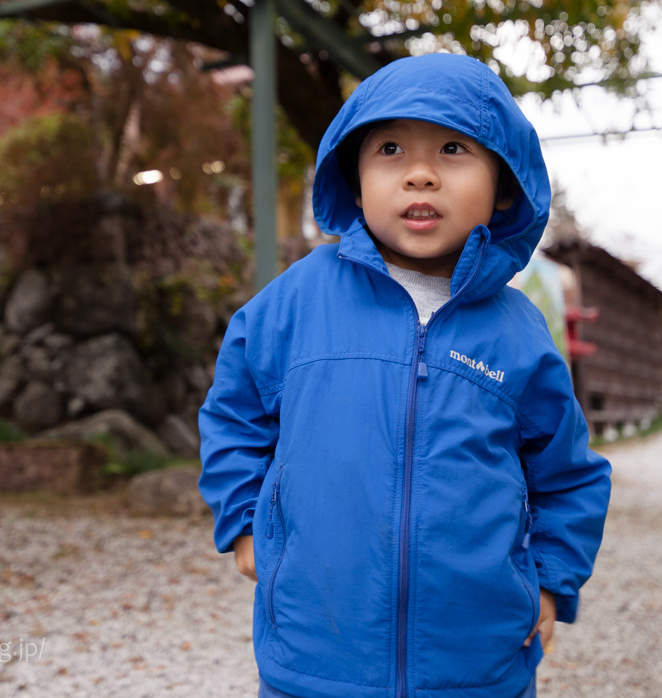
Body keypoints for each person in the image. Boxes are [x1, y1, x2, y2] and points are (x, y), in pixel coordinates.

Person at [196, 53, 612, 698]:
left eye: (452, 149)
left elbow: (568, 474)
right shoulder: (294, 302)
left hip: (477, 664)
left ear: (504, 186)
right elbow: (233, 415)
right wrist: (245, 519)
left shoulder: (517, 331)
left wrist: (553, 582)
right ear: (353, 177)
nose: (420, 174)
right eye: (390, 148)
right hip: (315, 654)